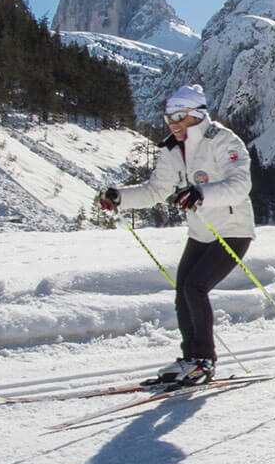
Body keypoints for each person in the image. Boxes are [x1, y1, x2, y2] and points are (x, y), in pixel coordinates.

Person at [96, 84, 254, 386]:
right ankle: (189, 358)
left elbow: (239, 186)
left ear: (197, 114)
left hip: (233, 231)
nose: (172, 124)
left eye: (178, 116)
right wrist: (120, 198)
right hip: (200, 232)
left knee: (195, 287)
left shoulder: (222, 141)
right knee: (182, 290)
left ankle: (205, 361)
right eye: (168, 118)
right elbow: (156, 190)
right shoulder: (171, 150)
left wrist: (201, 194)